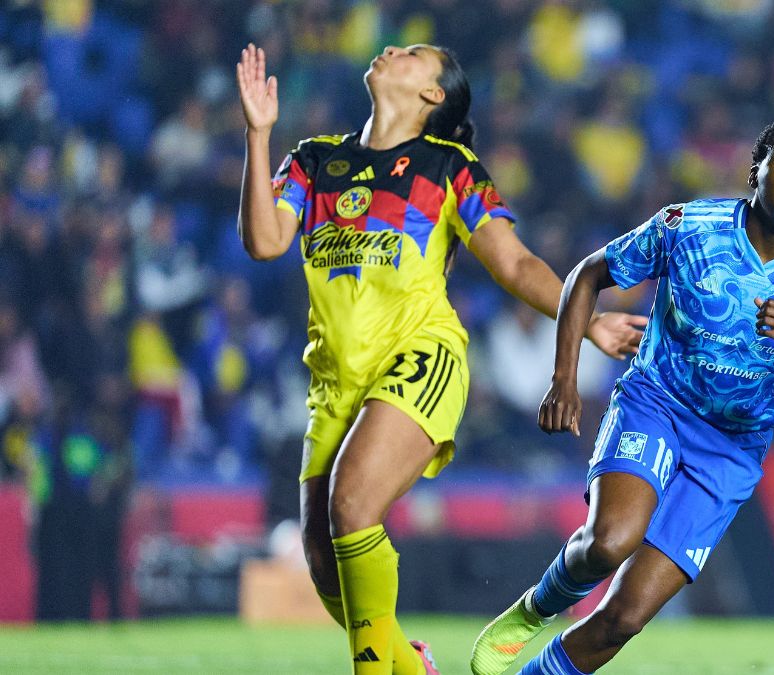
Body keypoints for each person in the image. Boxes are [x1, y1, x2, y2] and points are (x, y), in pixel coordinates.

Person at [235, 43, 646, 675]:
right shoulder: (315, 160)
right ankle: (412, 665)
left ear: (433, 95)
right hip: (334, 380)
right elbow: (264, 242)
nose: (391, 49)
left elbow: (513, 262)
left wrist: (586, 322)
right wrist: (258, 136)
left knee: (352, 507)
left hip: (419, 357)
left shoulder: (447, 166)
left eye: (412, 53)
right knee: (324, 562)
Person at [471, 115, 774, 675]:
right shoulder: (689, 225)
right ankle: (536, 608)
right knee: (609, 543)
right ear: (756, 168)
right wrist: (564, 377)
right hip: (659, 404)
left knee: (625, 618)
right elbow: (588, 275)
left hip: (734, 446)